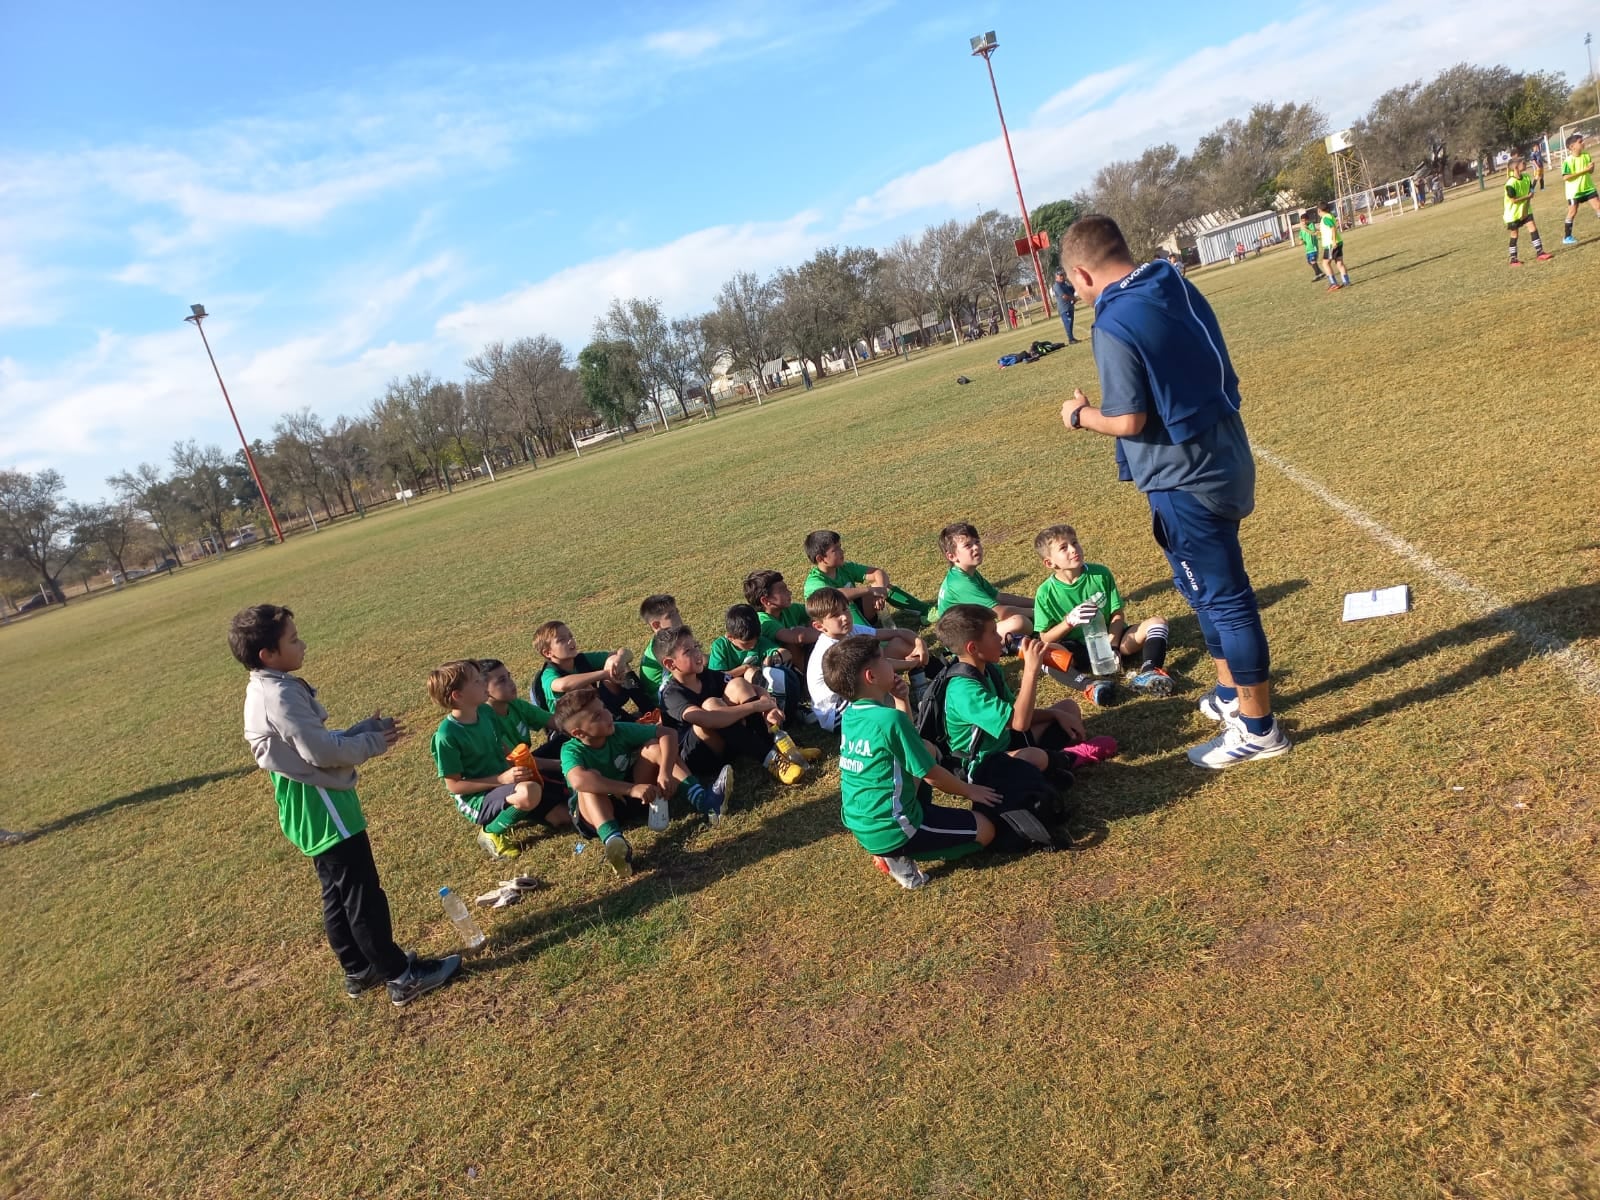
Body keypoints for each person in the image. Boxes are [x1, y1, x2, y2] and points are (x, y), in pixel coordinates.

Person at [1059, 214, 1290, 768]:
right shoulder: (1169, 278)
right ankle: (1233, 695)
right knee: (1203, 592)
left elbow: (1129, 418)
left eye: (1072, 285)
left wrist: (1079, 414)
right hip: (1225, 452)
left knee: (1226, 600)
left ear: (1083, 275)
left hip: (1184, 477)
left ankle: (1258, 730)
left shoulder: (1112, 323)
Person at [232, 603, 460, 1006]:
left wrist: (356, 731)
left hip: (306, 806)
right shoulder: (279, 694)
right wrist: (371, 742)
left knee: (336, 891)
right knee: (361, 893)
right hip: (325, 807)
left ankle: (358, 967)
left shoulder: (264, 687)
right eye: (293, 639)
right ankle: (401, 976)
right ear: (268, 654)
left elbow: (303, 743)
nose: (302, 644)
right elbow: (318, 752)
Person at [826, 634, 1002, 891]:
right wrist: (970, 790)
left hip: (864, 822)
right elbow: (932, 775)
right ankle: (899, 855)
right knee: (986, 831)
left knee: (926, 750)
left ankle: (891, 846)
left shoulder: (853, 715)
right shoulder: (888, 721)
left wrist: (901, 700)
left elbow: (908, 744)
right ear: (871, 677)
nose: (891, 664)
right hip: (894, 827)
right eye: (885, 661)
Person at [934, 605, 1091, 796]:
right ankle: (1066, 759)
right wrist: (1031, 670)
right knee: (1035, 757)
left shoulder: (990, 669)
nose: (1001, 638)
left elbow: (1014, 716)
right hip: (981, 763)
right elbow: (1020, 722)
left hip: (1007, 741)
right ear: (973, 648)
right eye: (993, 633)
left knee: (1068, 708)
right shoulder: (965, 692)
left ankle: (1049, 766)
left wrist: (1055, 714)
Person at [429, 659, 570, 862]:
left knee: (563, 816)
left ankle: (521, 807)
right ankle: (490, 831)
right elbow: (454, 786)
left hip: (507, 782)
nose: (483, 684)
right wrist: (502, 779)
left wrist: (527, 767)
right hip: (478, 798)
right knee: (529, 792)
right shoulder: (446, 736)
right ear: (458, 696)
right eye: (477, 682)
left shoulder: (485, 712)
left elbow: (504, 750)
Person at [553, 686, 694, 877]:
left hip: (630, 800)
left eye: (603, 708)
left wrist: (665, 772)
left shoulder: (618, 730)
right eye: (597, 716)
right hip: (594, 816)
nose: (607, 715)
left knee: (653, 747)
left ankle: (703, 798)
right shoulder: (571, 750)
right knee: (589, 781)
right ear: (579, 733)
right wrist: (631, 788)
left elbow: (668, 733)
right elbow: (578, 781)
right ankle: (615, 844)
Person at [656, 624, 816, 789]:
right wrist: (754, 706)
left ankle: (781, 748)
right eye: (688, 651)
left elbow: (756, 689)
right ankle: (770, 759)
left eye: (696, 646)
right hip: (699, 757)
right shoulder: (671, 694)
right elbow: (708, 720)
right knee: (711, 705)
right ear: (670, 664)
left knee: (738, 684)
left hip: (730, 740)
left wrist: (768, 706)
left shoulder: (704, 675)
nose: (697, 653)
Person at [1032, 524, 1173, 696]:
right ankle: (1090, 686)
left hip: (1115, 642)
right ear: (1049, 562)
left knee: (1157, 622)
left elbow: (1117, 614)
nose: (1073, 549)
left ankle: (1150, 672)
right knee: (1044, 653)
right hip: (1078, 652)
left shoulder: (1100, 574)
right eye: (1064, 547)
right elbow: (1045, 637)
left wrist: (1112, 646)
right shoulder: (1045, 593)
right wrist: (1068, 623)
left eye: (1075, 543)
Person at [805, 587, 927, 733]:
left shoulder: (851, 630)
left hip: (855, 692)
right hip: (838, 713)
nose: (844, 617)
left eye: (845, 609)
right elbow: (874, 671)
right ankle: (909, 720)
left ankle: (921, 689)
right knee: (877, 677)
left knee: (901, 644)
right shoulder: (832, 649)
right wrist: (911, 663)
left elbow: (898, 632)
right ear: (819, 626)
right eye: (835, 615)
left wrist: (920, 643)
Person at [802, 529, 929, 628]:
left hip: (859, 616)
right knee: (844, 602)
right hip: (838, 625)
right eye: (836, 550)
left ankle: (926, 611)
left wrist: (880, 593)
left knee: (880, 586)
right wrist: (870, 590)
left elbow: (877, 573)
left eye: (841, 546)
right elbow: (834, 596)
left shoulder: (844, 567)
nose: (842, 551)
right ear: (820, 559)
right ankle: (869, 637)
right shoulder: (814, 582)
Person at [933, 521, 1034, 641]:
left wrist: (1036, 602)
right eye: (967, 545)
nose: (976, 547)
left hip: (971, 631)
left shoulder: (967, 573)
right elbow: (1000, 613)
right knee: (1020, 622)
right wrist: (1038, 612)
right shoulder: (960, 583)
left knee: (1022, 619)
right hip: (962, 641)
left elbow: (999, 597)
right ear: (952, 556)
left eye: (977, 542)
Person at [531, 619, 651, 716]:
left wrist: (620, 659)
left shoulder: (581, 659)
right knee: (582, 686)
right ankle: (619, 720)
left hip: (597, 706)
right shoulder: (548, 673)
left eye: (570, 636)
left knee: (615, 661)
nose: (570, 641)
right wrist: (604, 674)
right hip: (573, 724)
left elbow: (626, 652)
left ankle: (649, 710)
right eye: (562, 640)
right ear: (547, 653)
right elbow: (564, 685)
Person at [707, 603, 804, 721]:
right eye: (746, 643)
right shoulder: (720, 646)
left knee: (779, 669)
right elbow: (716, 679)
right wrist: (745, 668)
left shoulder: (759, 641)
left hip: (761, 694)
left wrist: (773, 659)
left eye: (755, 640)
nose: (752, 645)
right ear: (730, 637)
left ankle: (785, 709)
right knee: (750, 673)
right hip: (733, 698)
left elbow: (786, 653)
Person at [743, 569, 820, 666]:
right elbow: (798, 637)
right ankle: (805, 679)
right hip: (774, 668)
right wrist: (829, 632)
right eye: (783, 590)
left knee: (814, 621)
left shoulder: (790, 609)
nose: (789, 592)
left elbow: (819, 612)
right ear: (766, 601)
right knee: (791, 645)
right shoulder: (763, 621)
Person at [1504, 155, 1554, 265]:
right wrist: (1528, 197)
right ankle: (1513, 260)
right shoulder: (1510, 184)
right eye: (1523, 163)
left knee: (1533, 228)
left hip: (1526, 210)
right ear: (1516, 167)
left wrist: (1536, 180)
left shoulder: (1526, 177)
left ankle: (1540, 253)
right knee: (1514, 234)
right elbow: (1513, 200)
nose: (1525, 164)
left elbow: (1530, 188)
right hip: (1513, 214)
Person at [635, 595, 680, 701]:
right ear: (656, 625)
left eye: (677, 612)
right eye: (671, 615)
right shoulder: (664, 647)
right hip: (667, 701)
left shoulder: (673, 639)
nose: (678, 617)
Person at [1561, 133, 1599, 244]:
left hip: (1588, 188)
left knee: (1598, 206)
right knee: (1572, 212)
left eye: (1582, 141)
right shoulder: (1568, 161)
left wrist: (1592, 168)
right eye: (1580, 142)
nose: (1583, 143)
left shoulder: (1586, 155)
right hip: (1574, 192)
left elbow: (1590, 172)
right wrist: (1584, 170)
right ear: (1572, 147)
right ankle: (1567, 237)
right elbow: (1566, 177)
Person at [1316, 201, 1350, 289]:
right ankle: (1346, 281)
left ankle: (1333, 283)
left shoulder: (1325, 218)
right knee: (1339, 263)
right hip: (1338, 242)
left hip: (1331, 244)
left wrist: (1333, 241)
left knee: (1325, 263)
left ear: (1319, 210)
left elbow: (1333, 228)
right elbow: (1329, 229)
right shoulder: (1330, 216)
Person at [1051, 268, 1081, 344]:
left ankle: (1072, 338)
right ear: (1056, 277)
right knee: (1068, 323)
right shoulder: (1057, 286)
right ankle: (1071, 339)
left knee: (1070, 324)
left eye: (1063, 275)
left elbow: (1072, 289)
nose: (1062, 277)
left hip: (1070, 307)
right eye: (1060, 275)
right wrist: (1073, 298)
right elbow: (1064, 296)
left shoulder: (1064, 284)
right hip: (1064, 308)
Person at [1298, 213, 1326, 282]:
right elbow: (1301, 237)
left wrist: (1305, 228)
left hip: (1313, 247)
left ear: (1308, 220)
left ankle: (1317, 275)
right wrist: (1301, 241)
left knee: (1313, 261)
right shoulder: (1302, 229)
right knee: (1310, 262)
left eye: (1305, 220)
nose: (1304, 222)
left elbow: (1313, 233)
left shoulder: (1311, 225)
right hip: (1307, 248)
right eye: (1302, 221)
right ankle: (1321, 273)